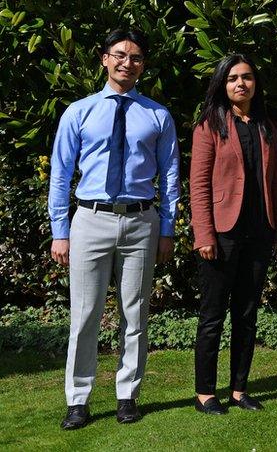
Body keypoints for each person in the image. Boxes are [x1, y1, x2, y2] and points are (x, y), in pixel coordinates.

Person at [48, 29, 180, 429]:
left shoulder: (157, 115)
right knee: (84, 314)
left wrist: (168, 228)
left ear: (143, 65)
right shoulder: (79, 111)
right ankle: (78, 399)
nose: (128, 62)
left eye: (136, 57)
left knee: (135, 313)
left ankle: (128, 395)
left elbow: (170, 174)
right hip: (90, 218)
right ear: (105, 58)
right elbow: (61, 172)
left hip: (142, 221)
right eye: (120, 54)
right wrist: (60, 229)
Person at [189, 54, 277, 415]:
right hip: (221, 233)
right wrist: (204, 235)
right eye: (232, 79)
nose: (240, 84)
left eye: (246, 77)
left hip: (259, 232)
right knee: (212, 315)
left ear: (255, 83)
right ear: (222, 84)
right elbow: (198, 186)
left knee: (246, 314)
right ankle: (204, 393)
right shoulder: (210, 126)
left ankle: (239, 390)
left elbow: (275, 183)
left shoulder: (267, 127)